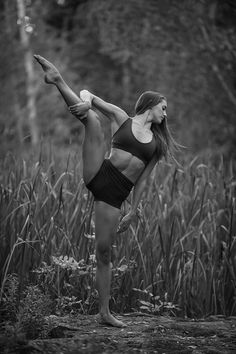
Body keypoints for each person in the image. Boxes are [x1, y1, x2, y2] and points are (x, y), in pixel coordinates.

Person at [34, 54, 178, 328]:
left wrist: (134, 211)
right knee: (93, 121)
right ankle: (56, 79)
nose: (165, 113)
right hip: (100, 174)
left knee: (104, 253)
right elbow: (89, 94)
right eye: (163, 107)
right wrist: (86, 102)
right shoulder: (122, 118)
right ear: (150, 105)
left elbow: (143, 180)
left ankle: (104, 313)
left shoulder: (156, 146)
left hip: (114, 195)